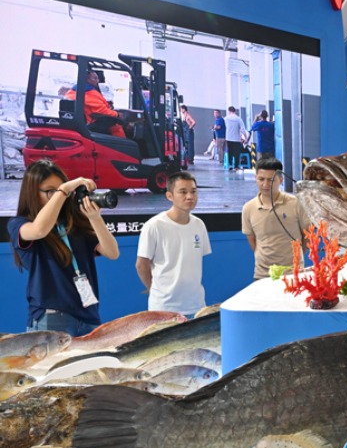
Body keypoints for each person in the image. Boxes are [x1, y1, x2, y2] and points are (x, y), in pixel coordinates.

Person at [8, 160, 120, 336]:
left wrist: (95, 218)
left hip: (88, 315)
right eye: (51, 191)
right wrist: (64, 189)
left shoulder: (73, 223)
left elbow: (113, 252)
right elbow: (39, 230)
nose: (60, 196)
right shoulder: (20, 224)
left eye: (61, 191)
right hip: (52, 315)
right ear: (32, 193)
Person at [136, 171, 212, 316]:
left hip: (196, 306)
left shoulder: (199, 224)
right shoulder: (154, 225)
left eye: (193, 192)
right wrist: (155, 290)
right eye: (183, 192)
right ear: (169, 196)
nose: (190, 196)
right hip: (164, 308)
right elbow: (141, 265)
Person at [242, 158, 311, 280]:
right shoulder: (248, 208)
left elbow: (307, 235)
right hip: (262, 274)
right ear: (255, 178)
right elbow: (252, 240)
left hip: (293, 274)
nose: (265, 184)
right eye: (261, 179)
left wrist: (297, 256)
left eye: (271, 180)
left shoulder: (296, 203)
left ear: (281, 180)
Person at [64, 70, 126, 138]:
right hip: (92, 123)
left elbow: (94, 106)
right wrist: (117, 114)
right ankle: (124, 143)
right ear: (87, 79)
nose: (97, 81)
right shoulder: (89, 93)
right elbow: (102, 111)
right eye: (95, 78)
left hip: (86, 122)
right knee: (117, 126)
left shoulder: (74, 91)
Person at [224, 106, 249, 171]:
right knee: (237, 153)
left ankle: (230, 165)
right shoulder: (238, 119)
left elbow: (224, 127)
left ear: (229, 111)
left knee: (230, 152)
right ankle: (236, 166)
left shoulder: (226, 118)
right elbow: (242, 129)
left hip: (228, 138)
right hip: (236, 139)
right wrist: (245, 137)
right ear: (235, 111)